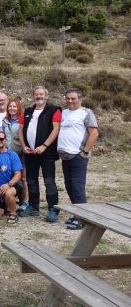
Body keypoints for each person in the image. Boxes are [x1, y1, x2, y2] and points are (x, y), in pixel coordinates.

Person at [18, 86, 62, 223]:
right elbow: (20, 130)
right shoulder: (27, 111)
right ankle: (33, 206)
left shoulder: (54, 109)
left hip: (46, 152)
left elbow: (56, 129)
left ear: (46, 96)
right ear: (33, 96)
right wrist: (24, 145)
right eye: (36, 94)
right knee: (31, 180)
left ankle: (53, 208)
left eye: (41, 94)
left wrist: (44, 146)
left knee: (49, 181)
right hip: (30, 152)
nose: (39, 96)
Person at [57, 88, 98, 230]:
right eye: (67, 98)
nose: (70, 101)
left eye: (73, 98)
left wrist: (85, 152)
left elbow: (94, 133)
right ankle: (78, 214)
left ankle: (82, 219)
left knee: (77, 186)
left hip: (78, 156)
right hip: (65, 156)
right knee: (69, 186)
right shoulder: (63, 113)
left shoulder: (86, 113)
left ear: (80, 98)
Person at [2, 98, 29, 213]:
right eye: (10, 106)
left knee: (23, 178)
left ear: (18, 108)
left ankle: (25, 201)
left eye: (14, 106)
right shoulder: (5, 120)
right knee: (10, 177)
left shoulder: (22, 120)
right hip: (8, 153)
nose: (12, 108)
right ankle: (11, 199)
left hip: (20, 153)